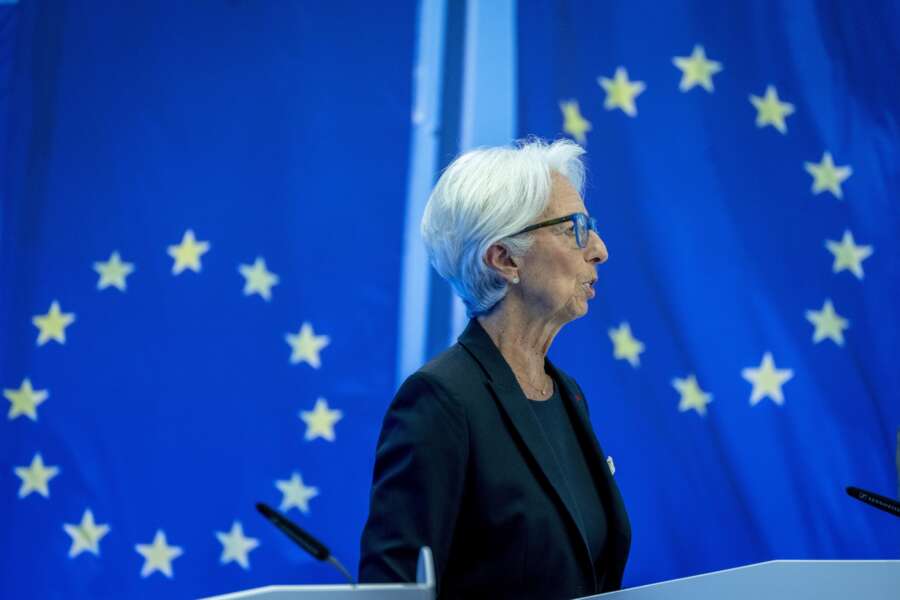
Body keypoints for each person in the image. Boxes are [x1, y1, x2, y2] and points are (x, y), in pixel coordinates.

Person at [359, 139, 630, 599]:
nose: (599, 249)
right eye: (575, 229)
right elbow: (393, 591)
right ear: (504, 258)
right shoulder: (440, 401)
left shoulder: (568, 395)